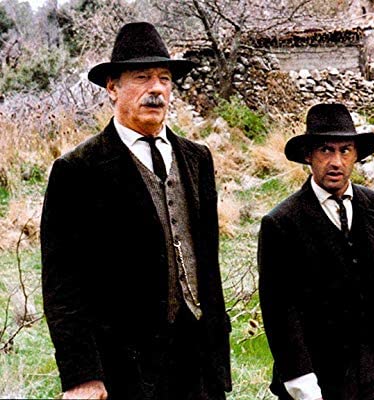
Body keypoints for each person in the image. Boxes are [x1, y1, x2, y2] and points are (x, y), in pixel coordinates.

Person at [41, 22, 231, 400]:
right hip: (127, 367)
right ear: (112, 87)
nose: (156, 89)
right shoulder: (77, 170)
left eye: (164, 78)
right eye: (142, 77)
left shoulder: (197, 159)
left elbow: (208, 264)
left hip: (198, 360)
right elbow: (63, 285)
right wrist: (82, 375)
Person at [258, 103, 374, 400]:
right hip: (320, 377)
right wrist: (303, 386)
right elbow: (280, 312)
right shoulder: (282, 222)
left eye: (345, 150)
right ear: (309, 155)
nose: (336, 162)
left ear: (356, 155)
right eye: (326, 150)